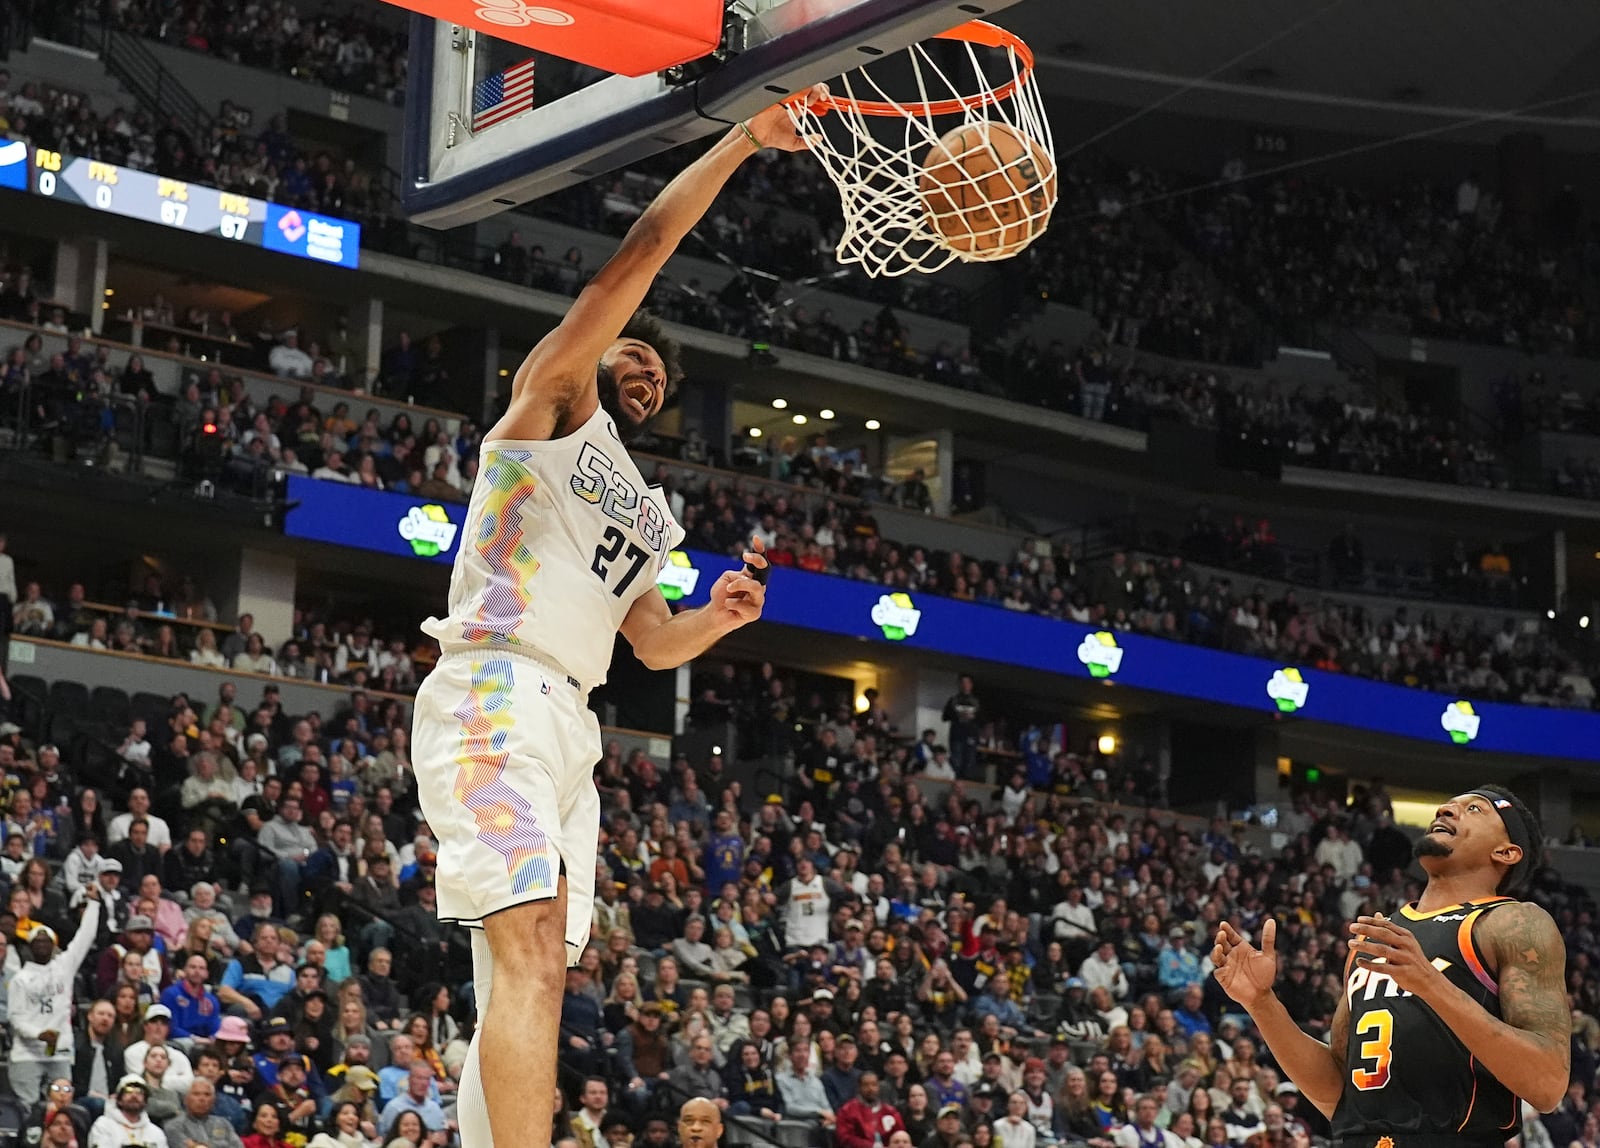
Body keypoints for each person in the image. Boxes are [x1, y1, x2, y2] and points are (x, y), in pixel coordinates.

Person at [407, 84, 823, 1148]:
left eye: (659, 378)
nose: (647, 371)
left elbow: (650, 640)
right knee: (534, 952)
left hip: (572, 726)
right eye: (635, 352)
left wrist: (718, 619)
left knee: (532, 968)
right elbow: (631, 259)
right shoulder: (546, 401)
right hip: (495, 685)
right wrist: (740, 141)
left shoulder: (644, 510)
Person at [1212, 785, 1570, 1146]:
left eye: (1475, 809)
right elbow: (1337, 1093)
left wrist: (1431, 984)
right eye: (1447, 805)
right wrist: (1261, 1003)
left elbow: (1548, 1084)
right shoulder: (1382, 938)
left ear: (1506, 852)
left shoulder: (1514, 924)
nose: (1446, 809)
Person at [11, 886, 102, 1103]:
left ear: (53, 946)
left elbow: (85, 937)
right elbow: (15, 1019)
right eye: (37, 942)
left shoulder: (64, 967)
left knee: (62, 1107)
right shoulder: (20, 979)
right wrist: (38, 1034)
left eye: (47, 942)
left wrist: (94, 904)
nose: (42, 945)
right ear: (30, 946)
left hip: (59, 1052)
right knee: (28, 1110)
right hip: (27, 1054)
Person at [88, 1075, 168, 1148]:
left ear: (145, 1101)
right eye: (128, 1091)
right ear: (119, 1100)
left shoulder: (156, 1132)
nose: (134, 1095)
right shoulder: (103, 1126)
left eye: (139, 1092)